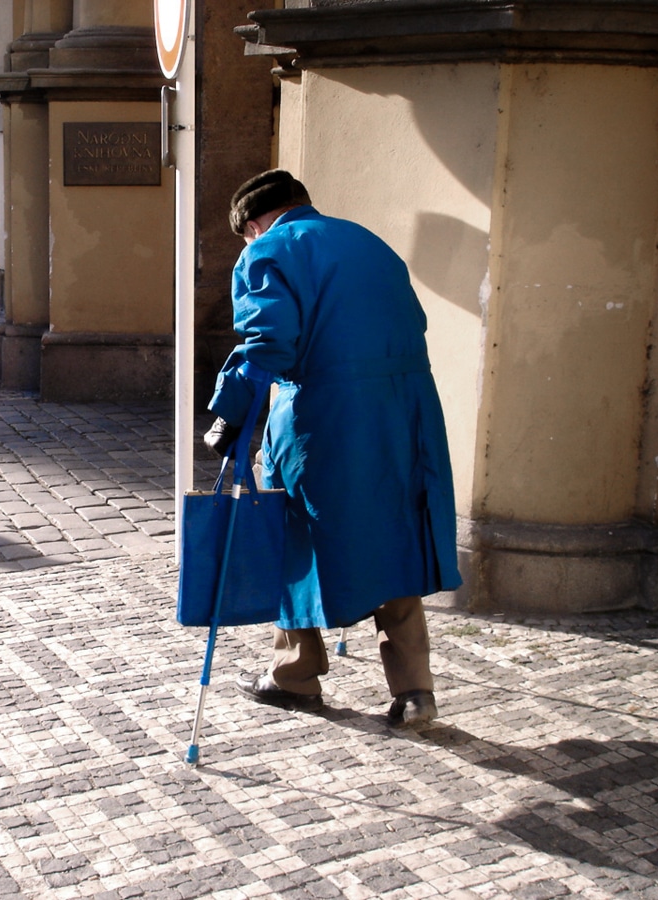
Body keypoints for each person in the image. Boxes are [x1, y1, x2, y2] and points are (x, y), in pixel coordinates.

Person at [204, 169, 462, 728]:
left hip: (323, 415)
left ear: (252, 225)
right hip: (404, 411)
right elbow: (411, 321)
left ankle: (295, 674)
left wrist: (229, 413)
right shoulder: (370, 242)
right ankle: (416, 691)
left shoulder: (266, 252)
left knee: (292, 529)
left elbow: (269, 342)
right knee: (394, 532)